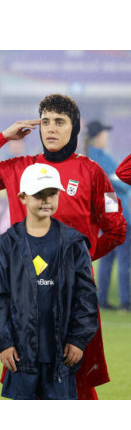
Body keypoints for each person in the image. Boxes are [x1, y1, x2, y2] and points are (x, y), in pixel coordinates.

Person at [0, 93, 126, 399]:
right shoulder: (20, 168)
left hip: (74, 296)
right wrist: (3, 137)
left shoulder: (92, 172)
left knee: (78, 386)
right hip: (26, 295)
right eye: (45, 121)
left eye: (59, 122)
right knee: (26, 384)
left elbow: (116, 229)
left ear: (74, 128)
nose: (50, 128)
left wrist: (81, 260)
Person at [0, 163, 99, 399]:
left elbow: (86, 297)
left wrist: (78, 339)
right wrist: (4, 342)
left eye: (52, 193)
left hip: (62, 356)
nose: (46, 200)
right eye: (39, 194)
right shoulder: (8, 243)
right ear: (23, 197)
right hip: (21, 356)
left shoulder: (73, 243)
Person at [83, 121, 131, 312]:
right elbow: (123, 185)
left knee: (107, 258)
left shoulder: (86, 158)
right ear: (98, 136)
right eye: (104, 133)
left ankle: (101, 299)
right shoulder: (102, 158)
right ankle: (125, 301)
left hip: (104, 215)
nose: (107, 137)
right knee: (124, 259)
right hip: (118, 215)